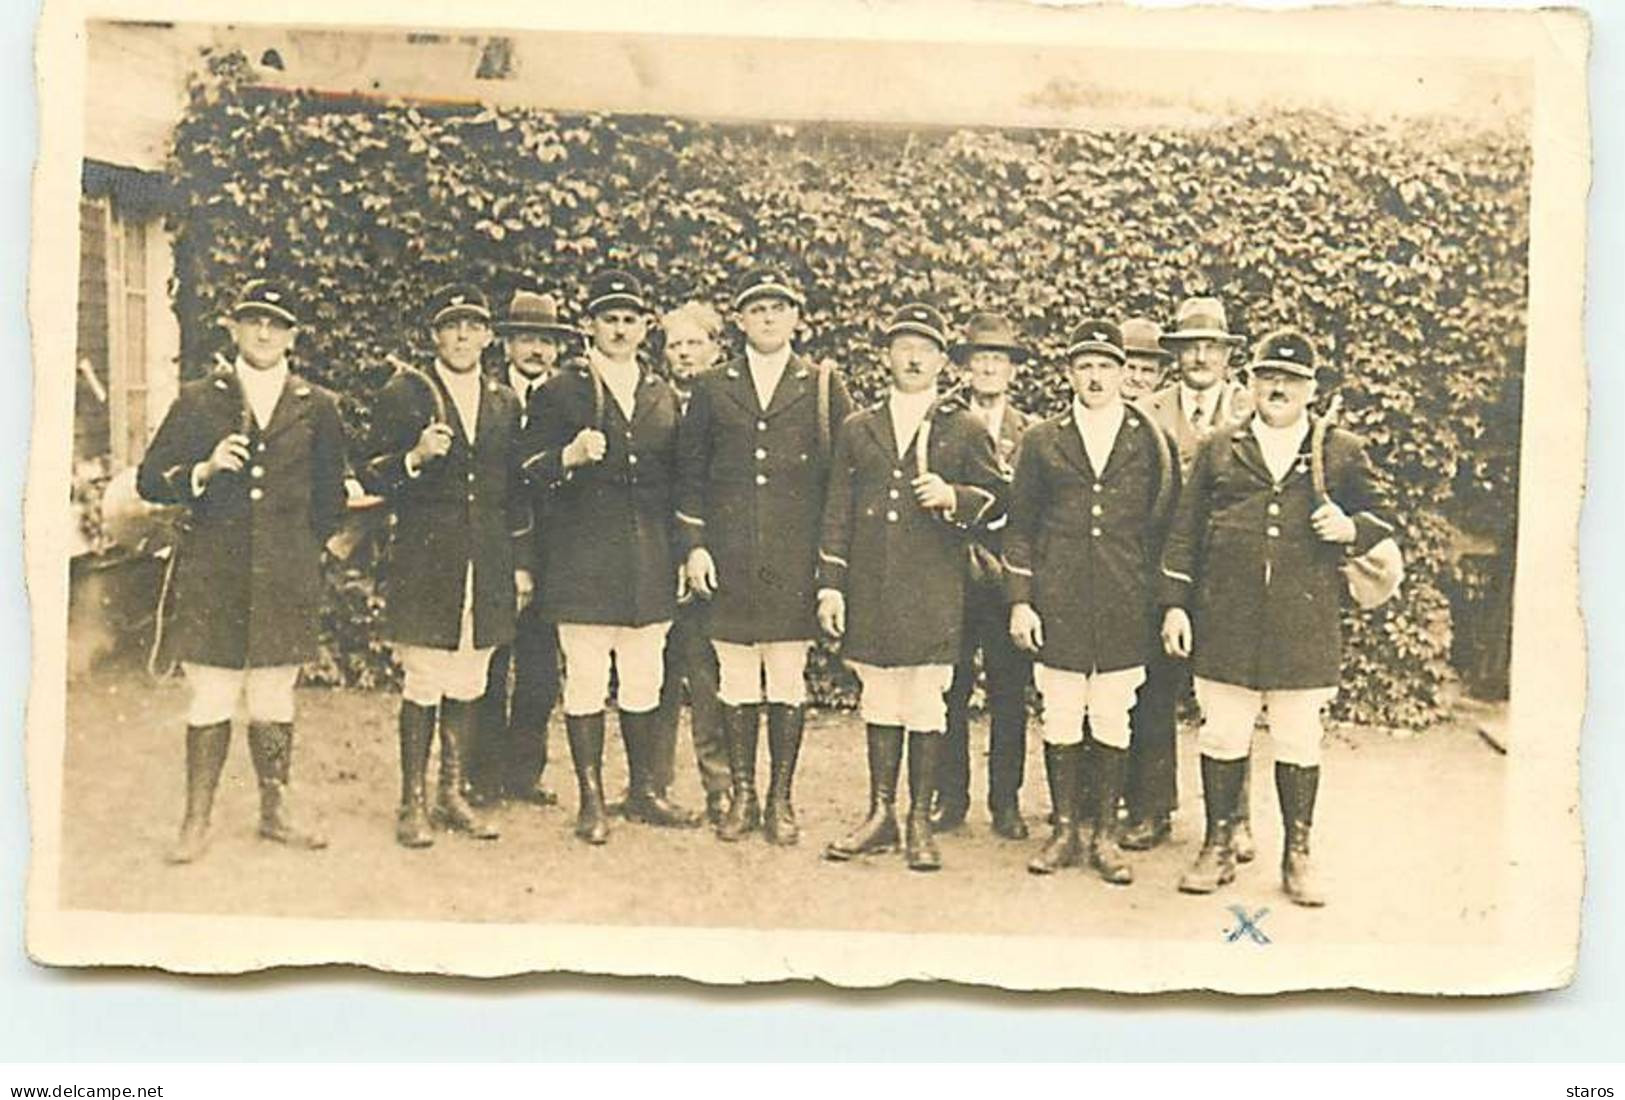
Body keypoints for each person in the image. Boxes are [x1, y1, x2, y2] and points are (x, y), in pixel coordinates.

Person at [1160, 329, 1396, 906]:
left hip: (1302, 622)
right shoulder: (1221, 446)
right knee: (1222, 731)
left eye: (1291, 380)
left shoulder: (1337, 449)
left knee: (1298, 737)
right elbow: (1185, 533)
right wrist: (1174, 605)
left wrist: (1350, 528)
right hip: (1226, 619)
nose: (1278, 388)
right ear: (1251, 382)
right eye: (1268, 378)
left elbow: (1382, 514)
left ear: (1311, 388)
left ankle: (1298, 853)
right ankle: (1218, 845)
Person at [137, 278, 346, 863]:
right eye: (254, 320)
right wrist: (200, 472)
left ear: (293, 337)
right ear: (234, 327)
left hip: (284, 575)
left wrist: (302, 552)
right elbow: (151, 479)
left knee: (275, 693)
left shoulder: (317, 405)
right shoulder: (202, 397)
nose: (264, 332)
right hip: (215, 573)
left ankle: (275, 810)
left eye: (277, 324)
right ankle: (196, 819)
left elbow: (331, 499)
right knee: (212, 693)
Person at [817, 302, 1005, 871]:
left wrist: (957, 498)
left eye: (926, 348)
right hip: (872, 585)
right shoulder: (858, 428)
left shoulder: (965, 428)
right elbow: (836, 513)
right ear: (888, 356)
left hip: (933, 588)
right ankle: (881, 814)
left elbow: (1002, 501)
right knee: (879, 696)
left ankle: (920, 819)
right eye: (904, 346)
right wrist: (831, 586)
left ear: (945, 362)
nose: (914, 357)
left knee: (926, 700)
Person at [677, 267, 853, 845]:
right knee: (734, 677)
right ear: (741, 320)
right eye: (757, 309)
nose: (769, 317)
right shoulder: (712, 385)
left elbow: (840, 488)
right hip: (728, 558)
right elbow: (691, 476)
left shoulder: (822, 385)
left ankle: (781, 799)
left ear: (796, 318)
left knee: (784, 677)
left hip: (792, 562)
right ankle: (743, 798)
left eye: (779, 307)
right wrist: (695, 547)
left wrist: (829, 572)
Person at [523, 268, 698, 844]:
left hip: (648, 557)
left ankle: (644, 790)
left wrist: (682, 551)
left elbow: (680, 483)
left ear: (645, 328)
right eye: (609, 320)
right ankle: (592, 799)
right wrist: (567, 456)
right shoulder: (560, 391)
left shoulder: (661, 393)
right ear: (589, 326)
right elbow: (524, 472)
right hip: (582, 559)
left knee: (645, 677)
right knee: (588, 679)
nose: (620, 330)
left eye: (630, 320)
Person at [1003, 319, 1178, 882]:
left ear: (1125, 374)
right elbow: (1020, 529)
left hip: (1125, 599)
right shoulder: (1041, 439)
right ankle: (1065, 829)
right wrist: (1022, 600)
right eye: (1085, 367)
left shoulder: (1148, 439)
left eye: (1106, 366)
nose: (1096, 377)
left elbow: (1164, 524)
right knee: (1059, 712)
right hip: (1059, 600)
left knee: (1110, 714)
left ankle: (1104, 834)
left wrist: (1162, 597)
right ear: (1069, 374)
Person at [361, 283, 533, 848]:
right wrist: (414, 457)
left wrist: (520, 563)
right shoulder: (406, 393)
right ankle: (412, 802)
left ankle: (451, 793)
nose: (463, 336)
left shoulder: (504, 401)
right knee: (426, 677)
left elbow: (514, 491)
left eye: (473, 326)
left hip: (486, 559)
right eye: (451, 326)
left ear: (488, 337)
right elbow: (370, 474)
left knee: (470, 677)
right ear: (436, 336)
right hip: (427, 557)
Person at [1134, 295, 1257, 859]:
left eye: (1211, 347)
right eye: (1191, 348)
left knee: (1233, 693)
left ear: (1227, 355)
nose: (1201, 357)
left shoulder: (1252, 408)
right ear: (1176, 355)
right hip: (1160, 570)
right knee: (1155, 691)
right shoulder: (1150, 409)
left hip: (1231, 574)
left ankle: (1236, 819)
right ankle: (1152, 809)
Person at [474, 289, 578, 808]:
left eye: (545, 341)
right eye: (526, 339)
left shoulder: (573, 398)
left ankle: (525, 772)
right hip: (497, 546)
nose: (536, 350)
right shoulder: (487, 398)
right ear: (506, 343)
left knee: (540, 673)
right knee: (490, 665)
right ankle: (483, 773)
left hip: (557, 551)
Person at [935, 311, 1035, 840]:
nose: (991, 368)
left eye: (1000, 359)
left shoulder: (1034, 432)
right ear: (966, 367)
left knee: (1008, 692)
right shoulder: (941, 423)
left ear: (1013, 370)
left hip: (1007, 578)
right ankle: (950, 798)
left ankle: (1006, 802)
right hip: (951, 571)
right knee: (948, 687)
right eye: (981, 359)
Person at [655, 301, 729, 826]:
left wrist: (695, 550)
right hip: (654, 558)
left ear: (716, 347)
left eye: (694, 343)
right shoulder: (650, 400)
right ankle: (651, 784)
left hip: (709, 557)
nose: (684, 354)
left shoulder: (731, 402)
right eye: (675, 346)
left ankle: (720, 786)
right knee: (654, 677)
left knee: (708, 678)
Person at [1120, 316, 1172, 401]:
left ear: (1160, 375)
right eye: (1131, 367)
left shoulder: (1170, 413)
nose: (1136, 378)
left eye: (1147, 370)